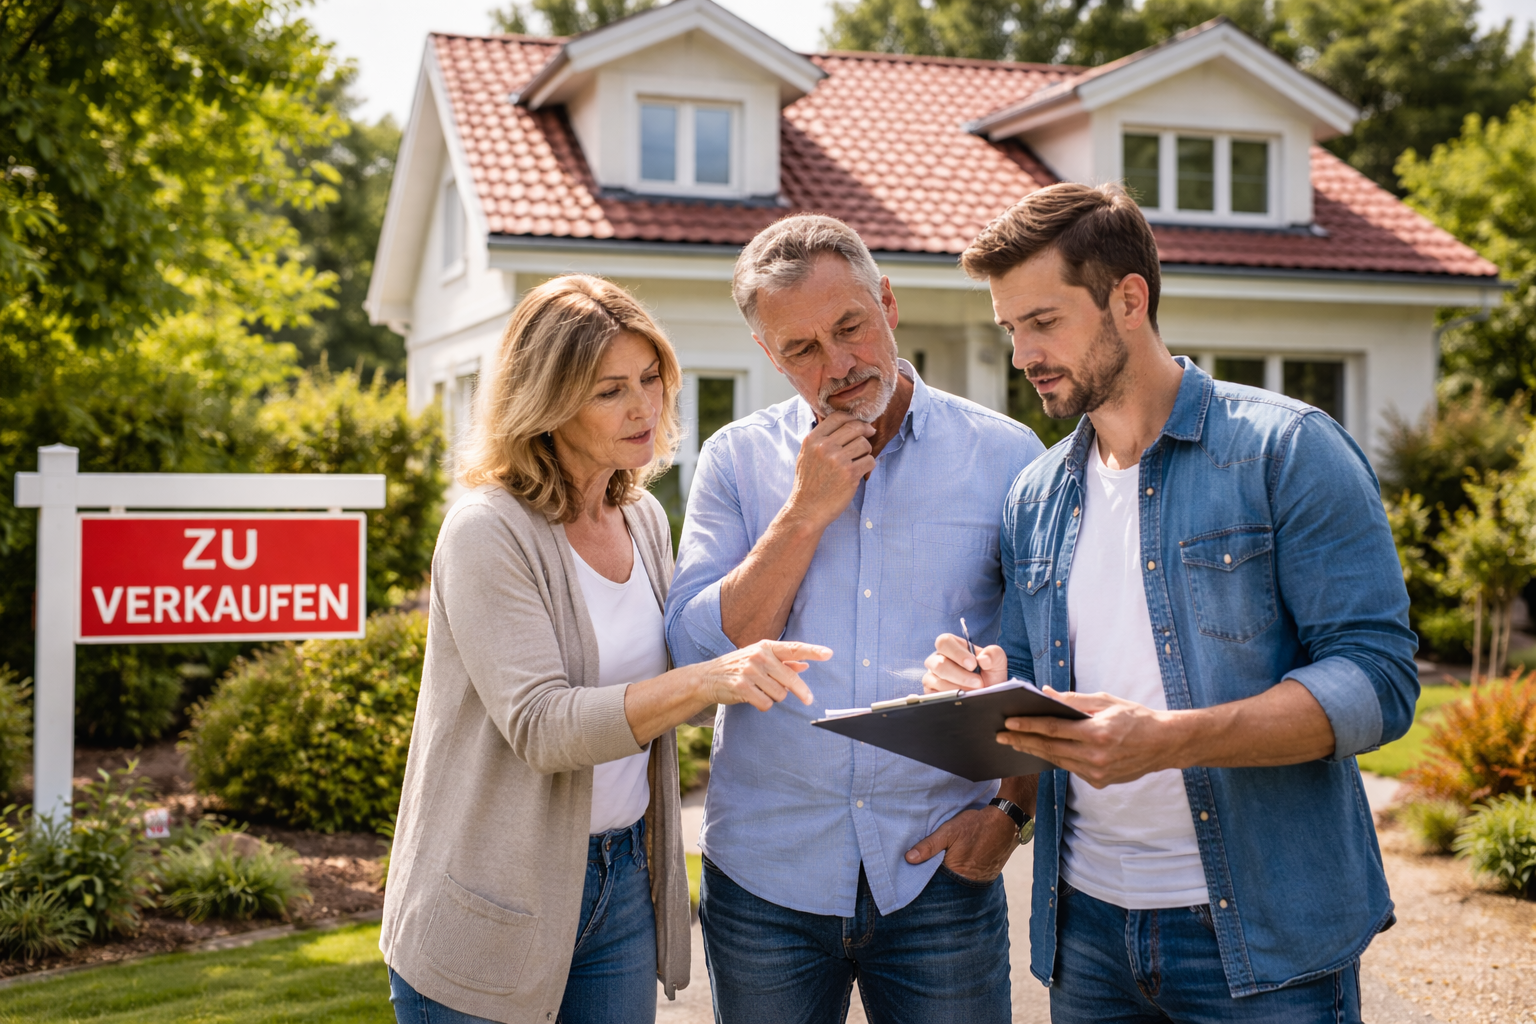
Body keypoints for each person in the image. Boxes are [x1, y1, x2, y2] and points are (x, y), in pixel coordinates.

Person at [923, 182, 1419, 1023]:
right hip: (1086, 938)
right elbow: (1042, 687)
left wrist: (1165, 743)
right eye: (1011, 329)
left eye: (1043, 322)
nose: (1022, 355)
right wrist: (989, 690)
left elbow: (1379, 681)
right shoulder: (1036, 494)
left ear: (1129, 298)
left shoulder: (1286, 449)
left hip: (1263, 944)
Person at [380, 275, 831, 1024]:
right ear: (547, 406)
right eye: (609, 390)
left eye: (651, 379)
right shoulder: (487, 531)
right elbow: (544, 727)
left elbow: (643, 697)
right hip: (492, 894)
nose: (644, 406)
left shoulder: (643, 517)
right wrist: (708, 679)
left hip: (623, 879)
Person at [664, 215, 1046, 1024]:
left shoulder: (1007, 457)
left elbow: (1054, 658)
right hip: (767, 875)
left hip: (940, 872)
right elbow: (698, 652)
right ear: (769, 356)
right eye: (801, 349)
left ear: (889, 305)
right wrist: (804, 512)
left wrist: (1012, 813)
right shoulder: (736, 461)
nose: (837, 365)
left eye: (850, 328)